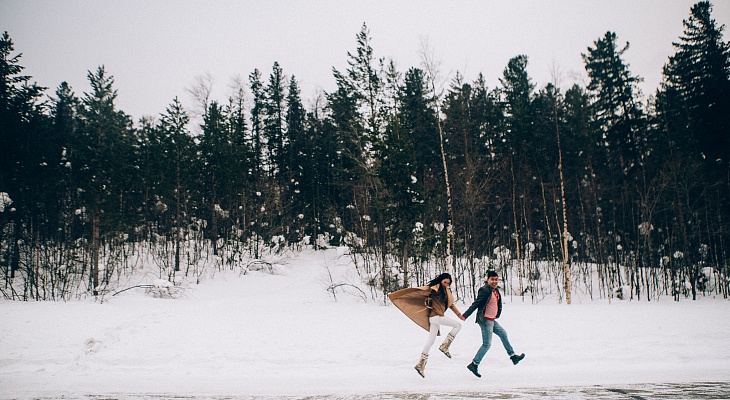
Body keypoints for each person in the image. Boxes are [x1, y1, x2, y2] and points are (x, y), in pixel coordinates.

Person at [388, 272, 466, 378]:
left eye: (448, 283)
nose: (446, 284)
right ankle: (445, 346)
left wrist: (459, 315)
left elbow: (451, 305)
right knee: (457, 326)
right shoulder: (434, 289)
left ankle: (420, 364)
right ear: (440, 281)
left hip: (434, 318)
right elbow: (422, 292)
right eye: (444, 282)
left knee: (430, 341)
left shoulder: (446, 291)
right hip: (436, 317)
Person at [462, 271, 525, 378]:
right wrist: (466, 315)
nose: (494, 281)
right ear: (487, 280)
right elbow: (476, 303)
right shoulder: (484, 290)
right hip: (486, 321)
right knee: (486, 344)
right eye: (492, 279)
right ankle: (474, 364)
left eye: (496, 279)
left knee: (503, 334)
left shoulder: (495, 290)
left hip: (492, 320)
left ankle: (513, 357)